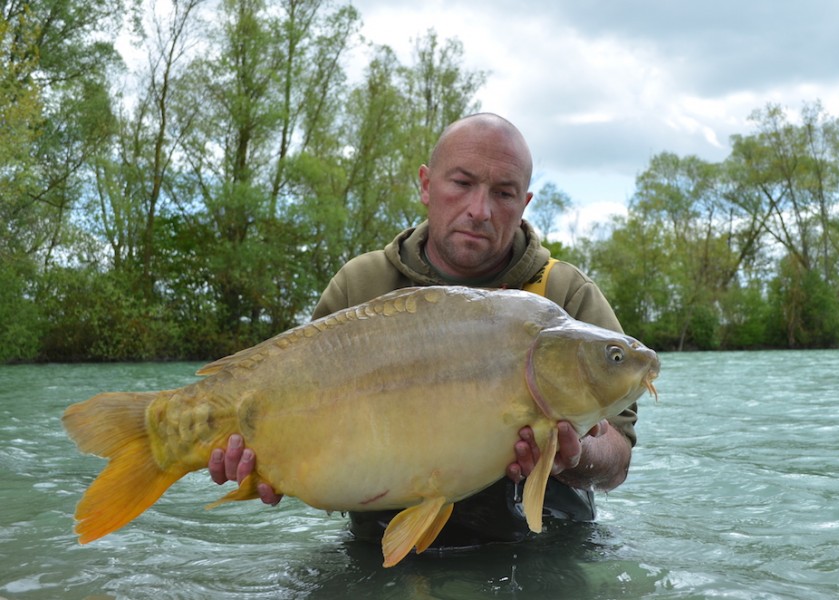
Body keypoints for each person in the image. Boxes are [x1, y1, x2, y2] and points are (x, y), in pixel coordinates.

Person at [208, 112, 638, 548]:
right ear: (426, 185)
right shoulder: (362, 286)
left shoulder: (566, 295)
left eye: (503, 193)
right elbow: (305, 425)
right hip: (380, 543)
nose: (479, 210)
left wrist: (576, 456)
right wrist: (272, 464)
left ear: (524, 203)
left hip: (542, 547)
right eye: (462, 183)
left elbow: (618, 456)